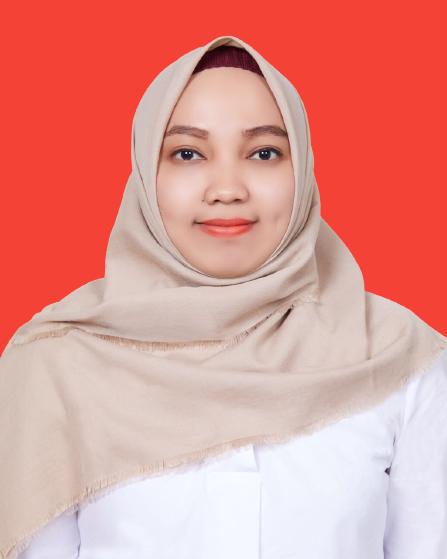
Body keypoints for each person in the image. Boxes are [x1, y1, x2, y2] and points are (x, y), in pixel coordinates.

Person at [1, 35, 446, 559]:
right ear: (146, 173)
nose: (227, 188)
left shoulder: (398, 356)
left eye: (264, 153)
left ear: (302, 170)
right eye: (188, 153)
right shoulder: (58, 363)